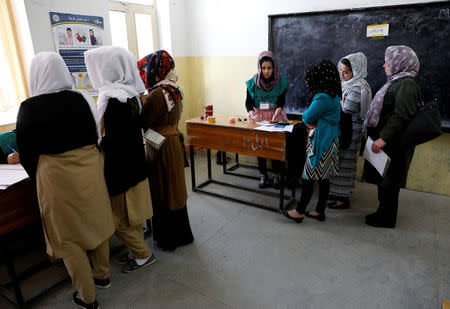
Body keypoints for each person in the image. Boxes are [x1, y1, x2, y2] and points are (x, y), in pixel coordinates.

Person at [16, 52, 114, 309]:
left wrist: (40, 174)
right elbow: (95, 135)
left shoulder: (29, 108)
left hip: (56, 178)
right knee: (97, 221)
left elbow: (26, 153)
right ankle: (102, 276)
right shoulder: (81, 99)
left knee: (67, 238)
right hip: (90, 169)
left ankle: (87, 298)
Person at [84, 46, 155, 272]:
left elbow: (112, 141)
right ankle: (138, 251)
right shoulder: (129, 94)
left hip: (120, 170)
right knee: (131, 217)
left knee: (116, 220)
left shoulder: (113, 101)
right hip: (133, 165)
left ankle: (143, 254)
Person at [138, 50, 194, 251]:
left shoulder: (156, 95)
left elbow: (143, 121)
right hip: (173, 142)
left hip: (158, 145)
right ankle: (183, 235)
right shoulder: (175, 90)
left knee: (162, 189)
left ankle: (168, 239)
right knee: (176, 187)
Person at [363, 45, 420, 228]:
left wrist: (382, 139)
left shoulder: (407, 84)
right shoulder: (396, 81)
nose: (384, 65)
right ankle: (382, 213)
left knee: (390, 183)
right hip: (388, 143)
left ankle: (386, 219)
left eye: (388, 61)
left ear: (399, 63)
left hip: (394, 144)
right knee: (384, 181)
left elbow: (401, 116)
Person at [282, 59, 341, 223]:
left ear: (319, 79)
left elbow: (307, 117)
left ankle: (300, 211)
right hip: (331, 139)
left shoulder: (322, 97)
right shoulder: (334, 94)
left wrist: (312, 118)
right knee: (323, 177)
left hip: (321, 141)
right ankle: (319, 211)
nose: (308, 85)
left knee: (308, 175)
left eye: (310, 81)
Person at [327, 52, 372, 209]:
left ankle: (342, 199)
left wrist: (331, 101)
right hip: (344, 128)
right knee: (339, 162)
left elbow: (345, 108)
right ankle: (337, 193)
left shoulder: (358, 87)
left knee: (345, 163)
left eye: (346, 72)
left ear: (357, 71)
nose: (342, 75)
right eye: (341, 71)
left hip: (351, 131)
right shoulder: (347, 84)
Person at [246, 51, 288, 189]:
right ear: (259, 67)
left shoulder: (280, 81)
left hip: (276, 116)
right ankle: (263, 175)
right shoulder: (252, 82)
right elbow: (248, 103)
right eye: (263, 68)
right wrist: (252, 114)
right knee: (260, 146)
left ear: (274, 67)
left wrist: (276, 115)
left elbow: (281, 102)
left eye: (269, 68)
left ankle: (276, 176)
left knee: (275, 146)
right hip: (258, 117)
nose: (266, 71)